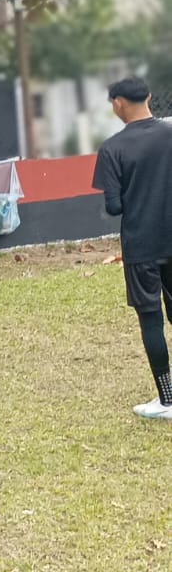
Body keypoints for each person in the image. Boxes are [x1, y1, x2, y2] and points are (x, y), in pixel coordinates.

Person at [92, 77, 172, 419]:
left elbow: (113, 206)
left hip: (142, 245)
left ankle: (167, 400)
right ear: (150, 97)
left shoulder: (113, 149)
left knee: (151, 320)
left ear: (117, 103)